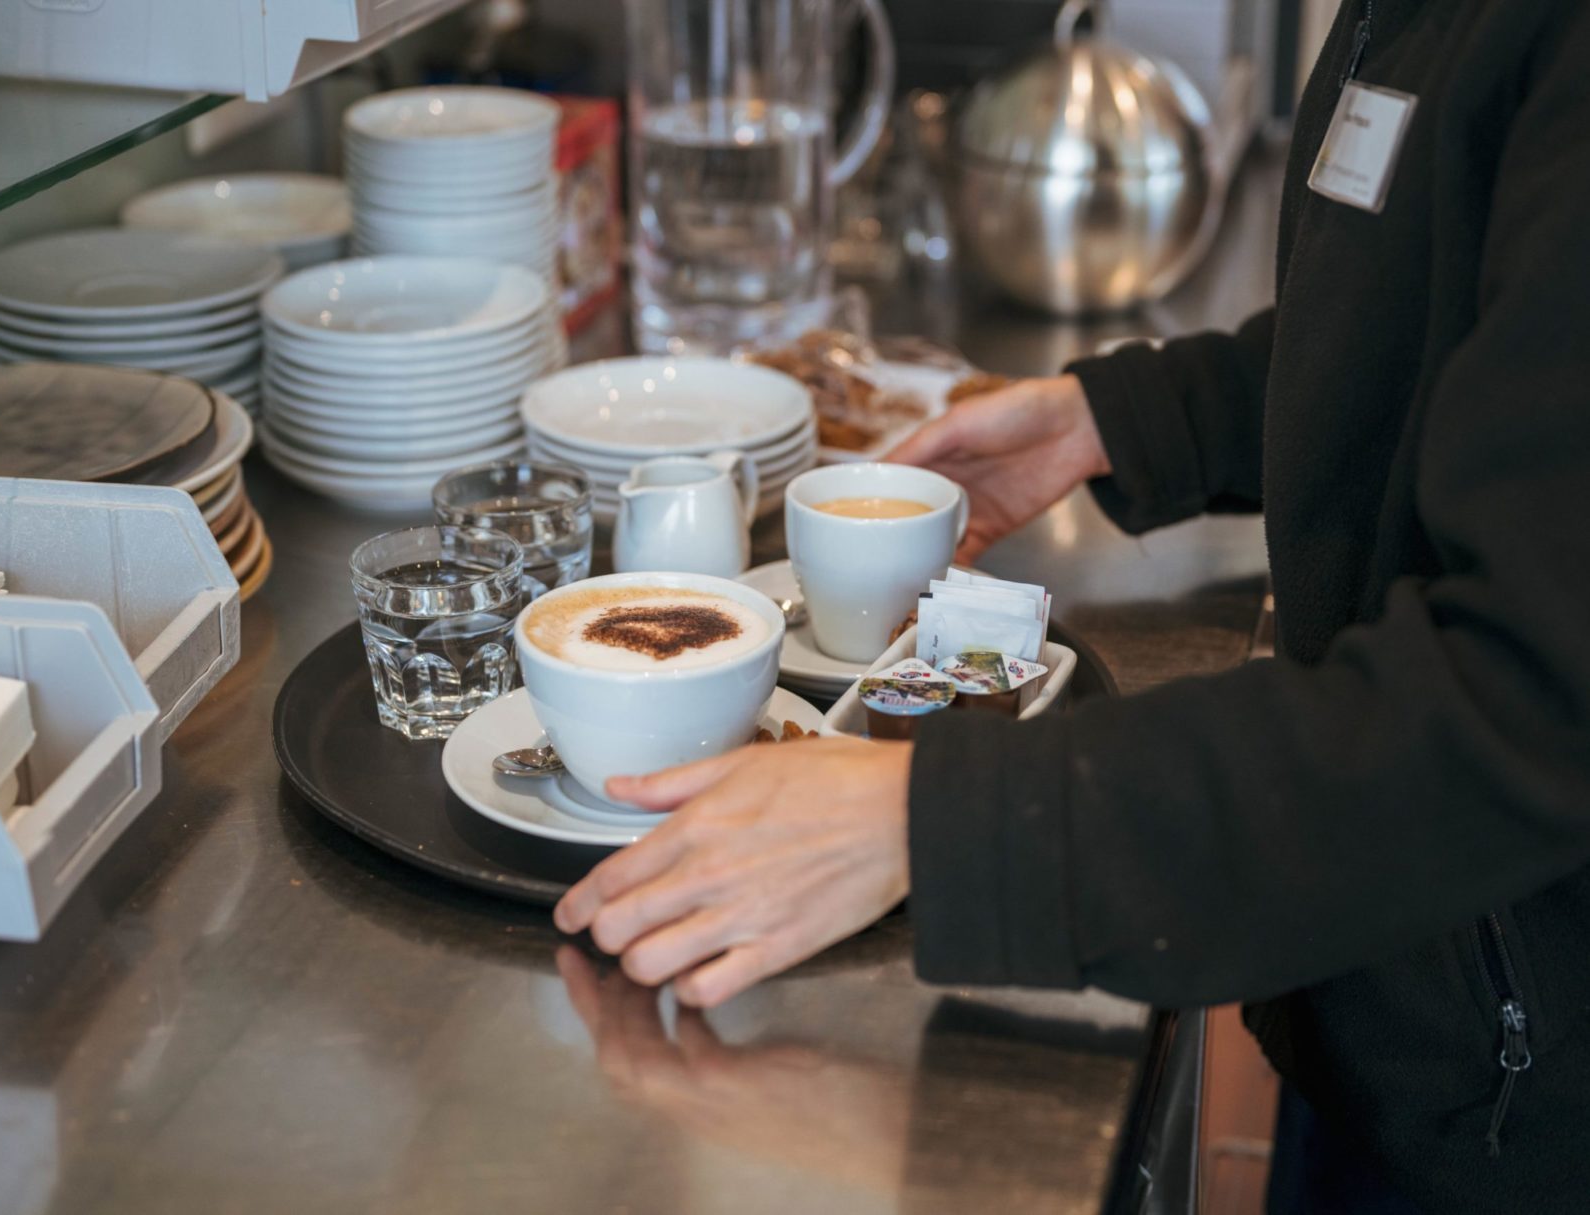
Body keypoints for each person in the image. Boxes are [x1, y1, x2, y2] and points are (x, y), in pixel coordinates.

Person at [556, 1, 1590, 1210]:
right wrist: (1136, 420)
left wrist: (932, 828)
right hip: (1404, 985)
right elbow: (1468, 336)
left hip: (1527, 1112)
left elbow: (1533, 703)